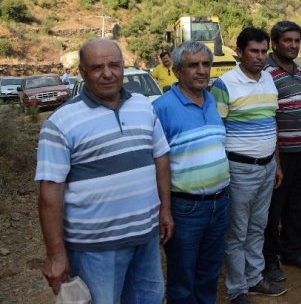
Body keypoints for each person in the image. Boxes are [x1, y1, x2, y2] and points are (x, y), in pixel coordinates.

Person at [35, 38, 173, 303]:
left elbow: (161, 158)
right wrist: (56, 255)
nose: (108, 73)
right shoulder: (60, 122)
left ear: (123, 67)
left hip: (146, 239)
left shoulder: (144, 106)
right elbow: (49, 193)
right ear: (82, 73)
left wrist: (165, 210)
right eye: (97, 67)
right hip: (94, 249)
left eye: (114, 65)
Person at [211, 28, 287, 303]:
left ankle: (254, 278)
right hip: (239, 169)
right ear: (240, 52)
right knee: (237, 231)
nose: (259, 56)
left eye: (263, 51)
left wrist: (276, 164)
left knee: (258, 226)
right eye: (253, 51)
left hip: (267, 167)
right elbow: (217, 130)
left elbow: (272, 124)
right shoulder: (225, 84)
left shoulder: (268, 79)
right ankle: (237, 289)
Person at [153, 41, 231, 304]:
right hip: (185, 209)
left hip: (220, 204)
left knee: (209, 273)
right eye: (193, 65)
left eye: (206, 64)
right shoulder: (161, 108)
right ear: (176, 71)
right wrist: (164, 210)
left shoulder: (212, 100)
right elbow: (155, 162)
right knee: (182, 278)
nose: (201, 71)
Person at [263, 21, 301, 274]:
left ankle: (292, 251)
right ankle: (270, 260)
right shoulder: (265, 73)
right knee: (274, 211)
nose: (293, 45)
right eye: (287, 40)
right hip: (280, 156)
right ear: (275, 43)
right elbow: (269, 118)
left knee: (298, 206)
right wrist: (277, 161)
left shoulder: (300, 73)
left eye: (296, 41)